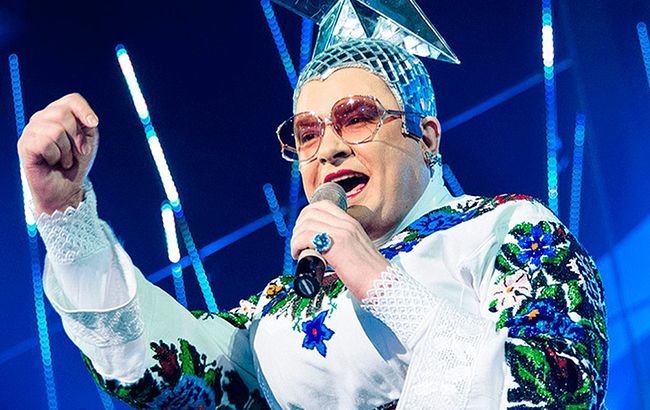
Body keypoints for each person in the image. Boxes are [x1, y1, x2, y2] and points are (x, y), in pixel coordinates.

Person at [17, 5, 608, 409]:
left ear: (426, 136)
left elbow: (560, 386)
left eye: (357, 118)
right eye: (306, 134)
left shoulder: (507, 231)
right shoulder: (281, 307)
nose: (328, 149)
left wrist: (378, 281)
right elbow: (162, 370)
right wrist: (67, 218)